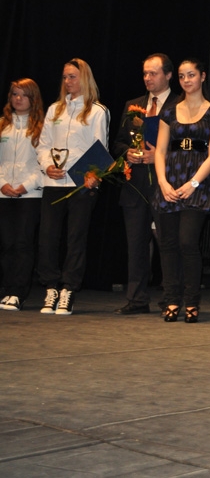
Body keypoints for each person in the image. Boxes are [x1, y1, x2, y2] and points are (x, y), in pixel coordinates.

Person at [36, 58, 110, 315]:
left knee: (76, 237)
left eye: (73, 76)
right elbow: (43, 145)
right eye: (65, 77)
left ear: (85, 78)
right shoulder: (54, 110)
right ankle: (50, 287)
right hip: (53, 182)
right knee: (48, 237)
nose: (67, 81)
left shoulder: (97, 111)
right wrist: (47, 166)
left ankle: (69, 288)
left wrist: (93, 175)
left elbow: (100, 147)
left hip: (81, 184)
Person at [153, 58, 210, 323]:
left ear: (203, 76)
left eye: (191, 75)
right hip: (169, 182)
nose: (186, 80)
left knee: (187, 242)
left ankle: (192, 301)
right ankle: (172, 299)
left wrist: (193, 183)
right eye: (182, 76)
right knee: (168, 244)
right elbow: (160, 151)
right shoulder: (169, 112)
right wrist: (163, 182)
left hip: (197, 184)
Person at [112, 53, 180, 315]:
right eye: (145, 73)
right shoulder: (133, 105)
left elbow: (189, 147)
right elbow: (118, 142)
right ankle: (137, 299)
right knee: (136, 243)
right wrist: (126, 153)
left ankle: (171, 298)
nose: (148, 78)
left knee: (168, 243)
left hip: (166, 184)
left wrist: (160, 156)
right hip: (135, 184)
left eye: (153, 73)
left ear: (168, 75)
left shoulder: (180, 105)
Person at [0, 79, 44, 311]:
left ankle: (18, 292)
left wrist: (26, 185)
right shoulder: (2, 125)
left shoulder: (42, 127)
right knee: (6, 243)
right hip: (3, 193)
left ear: (33, 98)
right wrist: (2, 184)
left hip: (30, 195)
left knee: (23, 243)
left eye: (23, 95)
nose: (18, 99)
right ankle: (7, 289)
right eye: (14, 94)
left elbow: (44, 162)